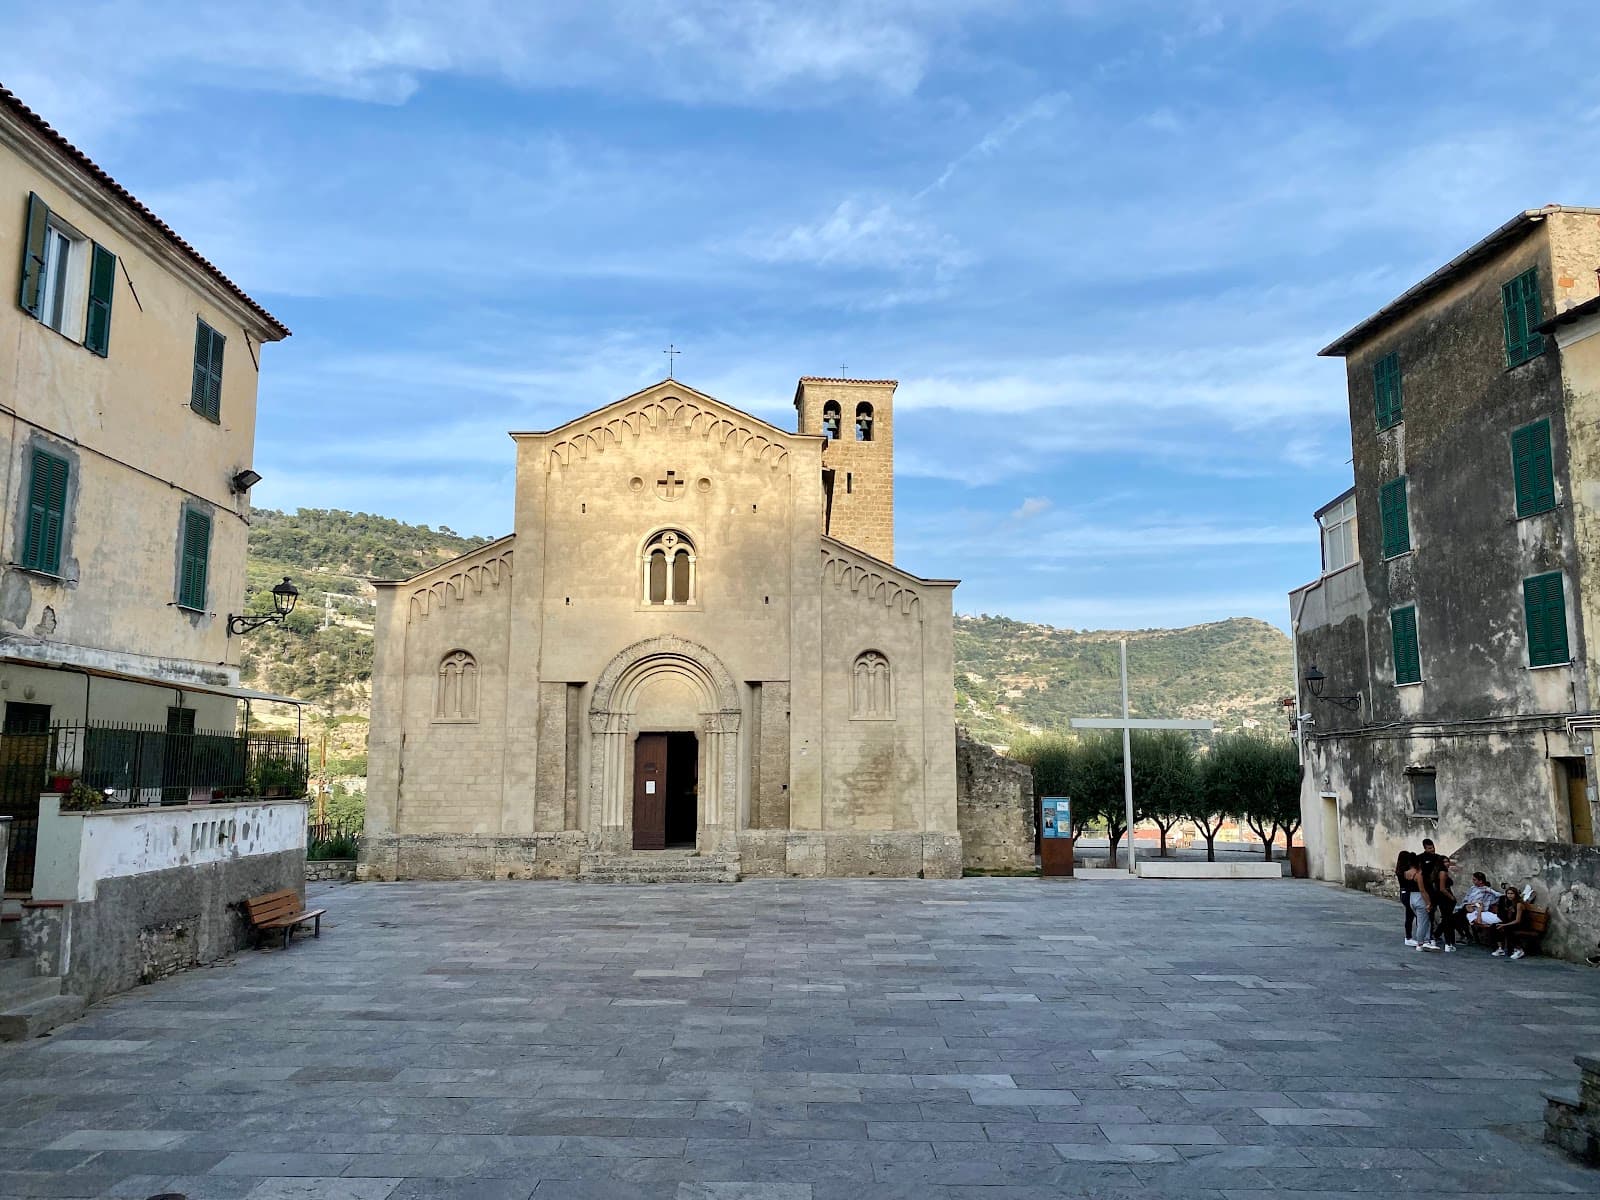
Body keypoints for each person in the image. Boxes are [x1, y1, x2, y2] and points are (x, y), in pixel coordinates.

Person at [1402, 855, 1438, 950]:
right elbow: (1422, 890)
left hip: (1411, 897)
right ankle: (1421, 943)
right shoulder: (1418, 875)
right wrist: (1428, 903)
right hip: (1419, 897)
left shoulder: (1406, 873)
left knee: (1423, 920)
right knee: (1422, 922)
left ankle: (1425, 940)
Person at [1460, 872, 1503, 942]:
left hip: (1477, 909)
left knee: (1458, 917)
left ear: (1480, 881)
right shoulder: (1472, 888)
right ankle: (1467, 936)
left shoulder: (1486, 889)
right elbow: (1466, 898)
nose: (1473, 881)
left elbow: (1498, 895)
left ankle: (1468, 936)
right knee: (1456, 917)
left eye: (1474, 880)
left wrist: (1488, 903)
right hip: (1468, 907)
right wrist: (1469, 904)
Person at [1429, 857, 1459, 952]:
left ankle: (1439, 937)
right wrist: (1451, 897)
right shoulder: (1442, 872)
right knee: (1447, 920)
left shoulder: (1439, 872)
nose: (1447, 863)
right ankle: (1448, 943)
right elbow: (1442, 888)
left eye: (1447, 861)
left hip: (1442, 897)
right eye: (1444, 862)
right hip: (1445, 898)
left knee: (1447, 919)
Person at [1492, 887, 1529, 960]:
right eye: (1508, 893)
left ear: (1516, 894)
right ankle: (1500, 948)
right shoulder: (1508, 903)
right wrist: (1503, 923)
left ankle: (1519, 949)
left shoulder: (1519, 904)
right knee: (1495, 926)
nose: (1510, 895)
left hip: (1522, 924)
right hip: (1513, 923)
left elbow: (1518, 920)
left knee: (1507, 928)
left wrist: (1504, 925)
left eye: (1512, 893)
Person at [1397, 850, 1420, 945]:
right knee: (1414, 914)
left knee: (1409, 915)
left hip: (1403, 892)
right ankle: (1411, 937)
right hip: (1408, 893)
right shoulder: (1406, 871)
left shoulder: (1399, 870)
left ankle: (1409, 936)